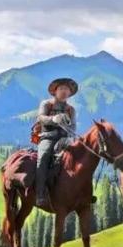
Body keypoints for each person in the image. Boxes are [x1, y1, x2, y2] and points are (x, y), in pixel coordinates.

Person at [35, 78, 78, 207]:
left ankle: (81, 191)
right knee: (43, 158)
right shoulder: (46, 104)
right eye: (61, 89)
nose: (64, 91)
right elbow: (41, 118)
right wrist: (53, 119)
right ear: (55, 91)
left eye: (67, 89)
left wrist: (69, 127)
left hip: (65, 139)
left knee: (80, 157)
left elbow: (73, 127)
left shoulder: (71, 110)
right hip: (47, 137)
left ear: (70, 93)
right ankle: (40, 194)